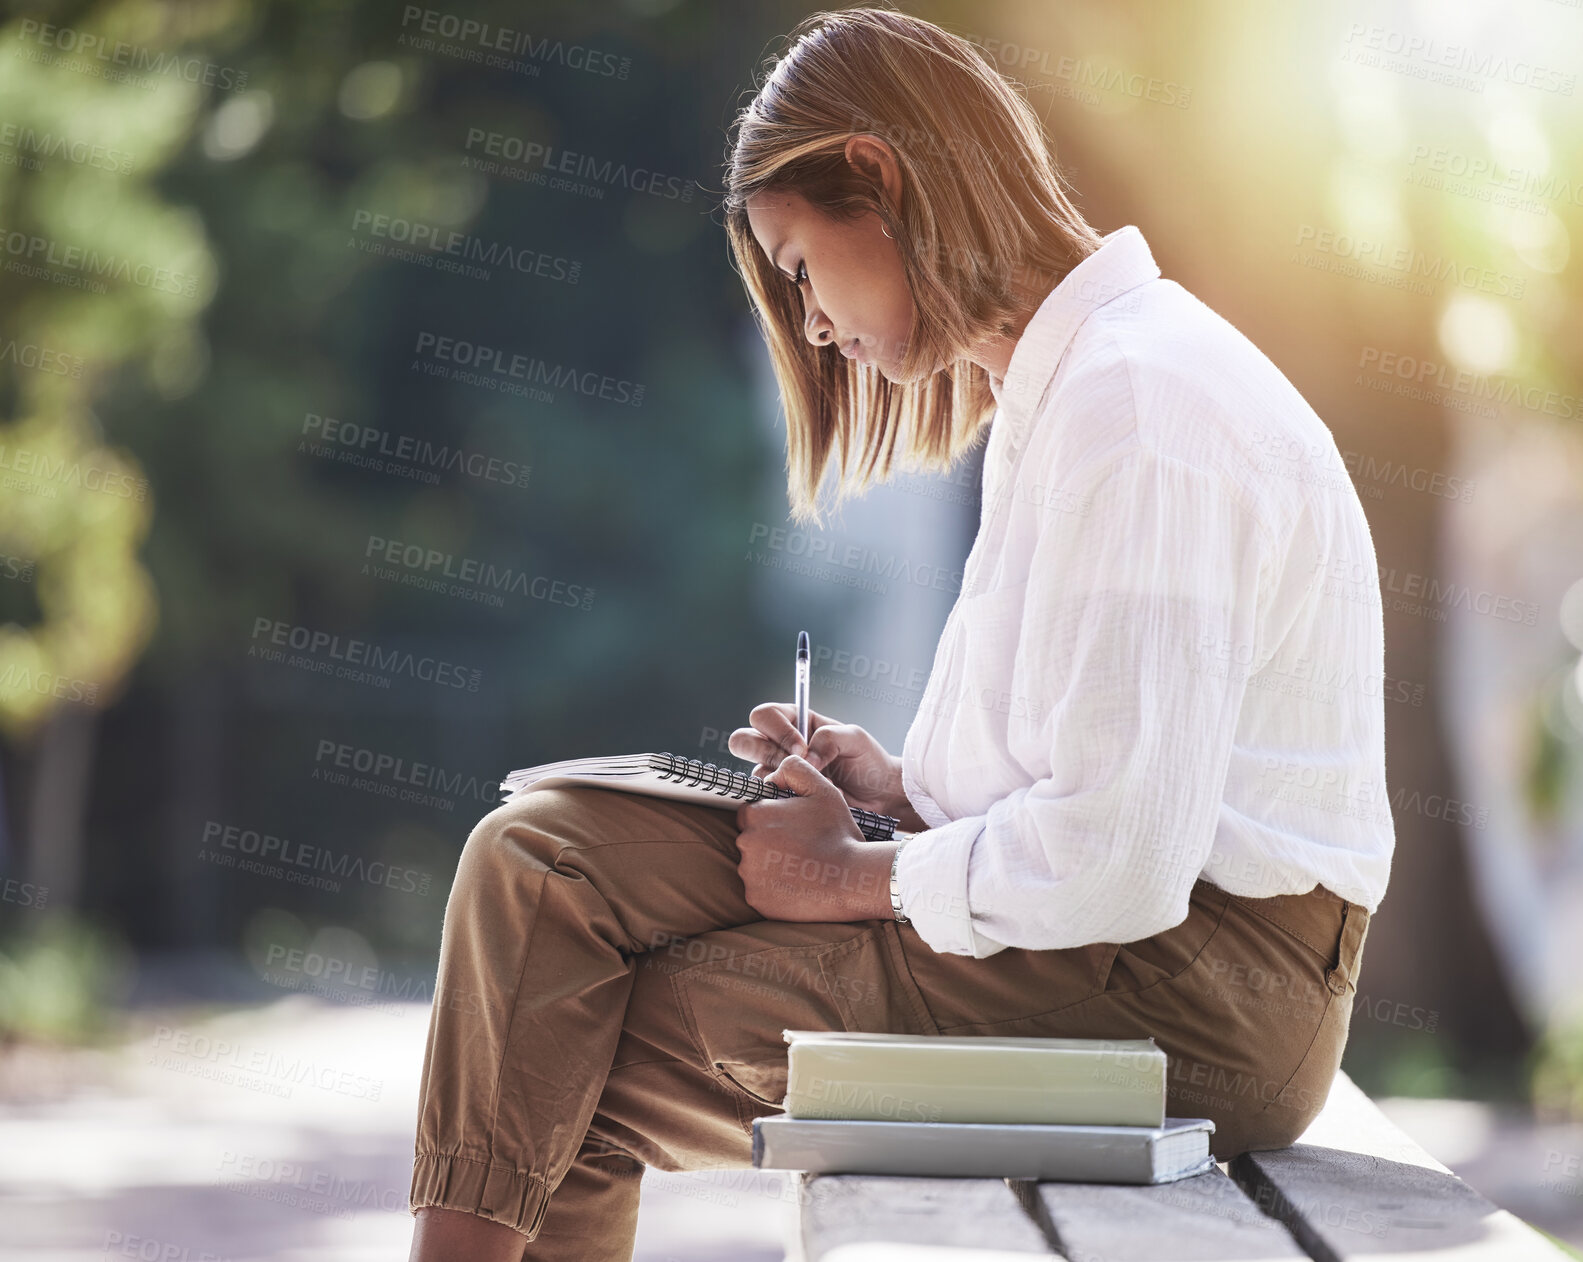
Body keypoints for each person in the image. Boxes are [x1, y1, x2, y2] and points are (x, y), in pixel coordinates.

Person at [406, 7, 1394, 1259]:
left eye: (801, 267)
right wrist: (903, 788)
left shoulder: (1136, 404)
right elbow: (1096, 779)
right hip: (1122, 948)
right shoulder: (1071, 389)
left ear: (873, 173)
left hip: (1196, 992)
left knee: (562, 1039)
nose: (811, 324)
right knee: (536, 858)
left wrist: (855, 873)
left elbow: (1125, 852)